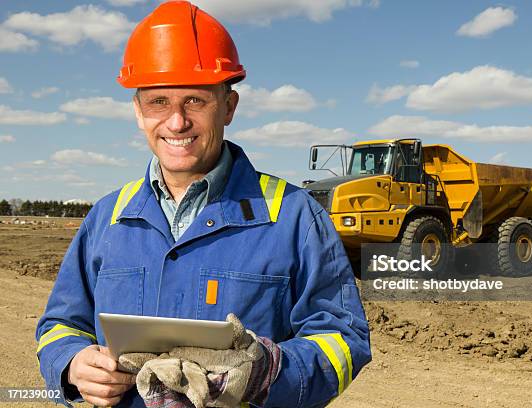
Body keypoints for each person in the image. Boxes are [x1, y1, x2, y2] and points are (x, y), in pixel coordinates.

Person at [35, 1, 371, 407]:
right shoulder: (108, 218)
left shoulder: (295, 216)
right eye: (159, 102)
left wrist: (269, 372)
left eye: (195, 100)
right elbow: (60, 324)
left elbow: (343, 340)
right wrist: (71, 363)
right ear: (138, 112)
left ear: (228, 107)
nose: (176, 122)